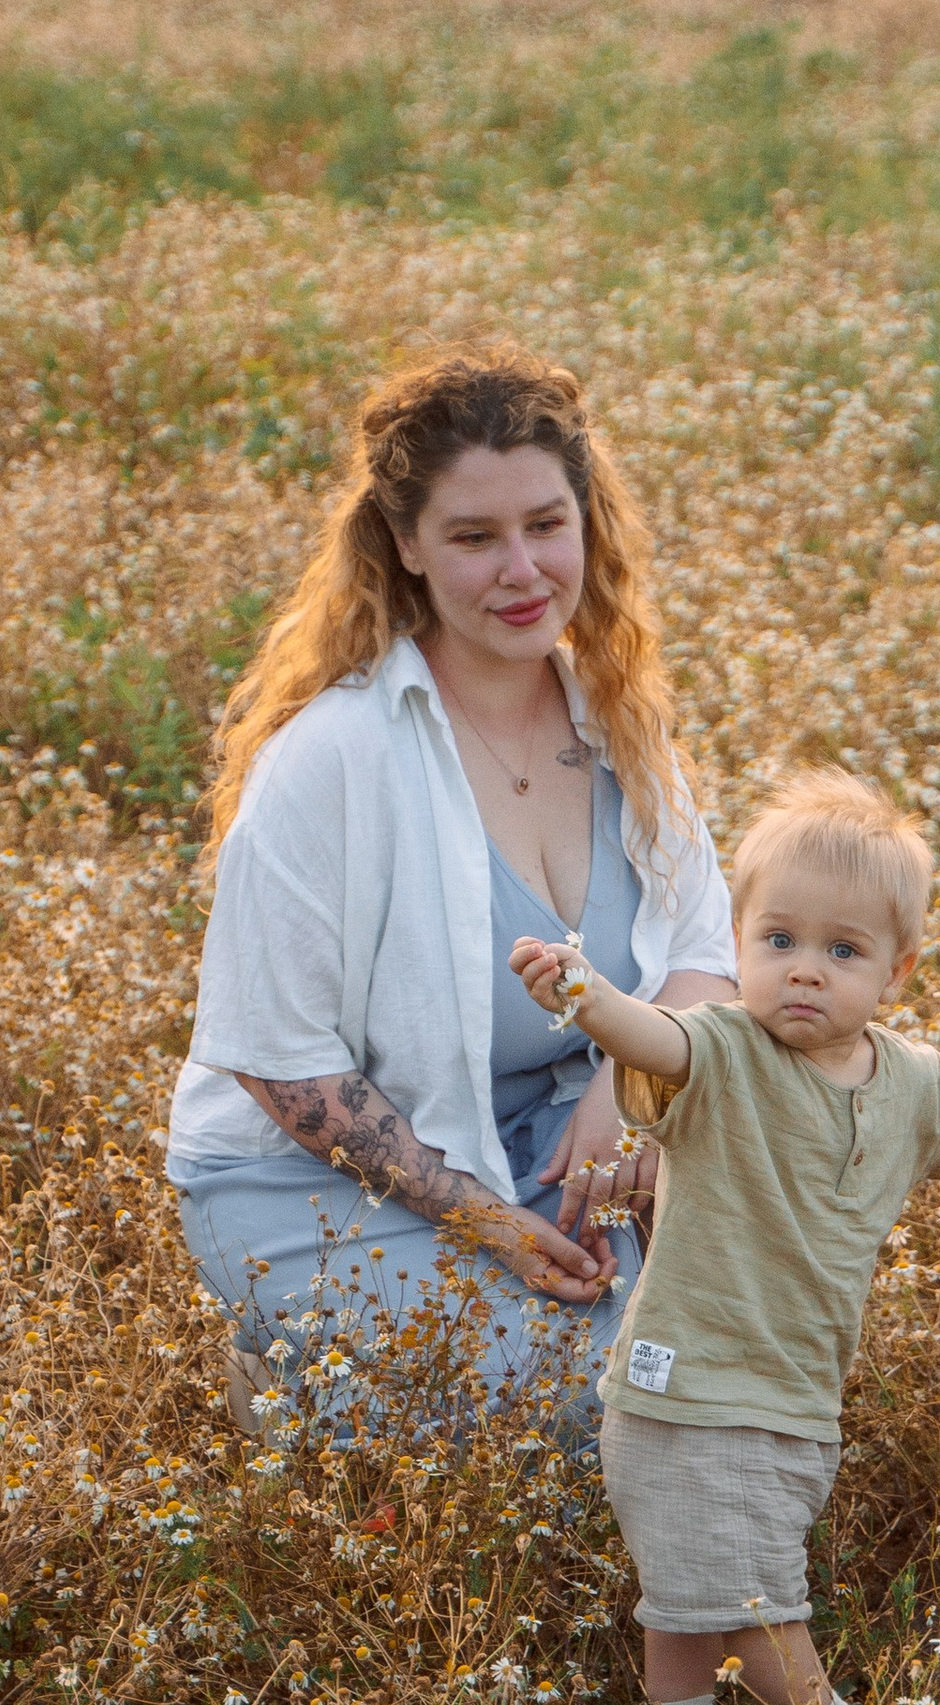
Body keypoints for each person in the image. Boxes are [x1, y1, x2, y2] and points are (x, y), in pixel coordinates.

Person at [509, 768, 940, 1705]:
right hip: (692, 1391)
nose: (803, 972)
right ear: (738, 943)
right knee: (756, 1608)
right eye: (778, 941)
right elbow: (646, 1034)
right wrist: (585, 994)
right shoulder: (717, 1054)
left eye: (842, 952)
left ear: (899, 970)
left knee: (689, 1598)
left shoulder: (912, 1084)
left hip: (790, 1390)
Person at [167, 343, 737, 1446]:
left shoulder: (617, 715)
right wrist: (489, 1227)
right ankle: (296, 1380)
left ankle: (350, 1391)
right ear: (406, 548)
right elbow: (283, 1065)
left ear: (587, 522)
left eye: (544, 524)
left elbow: (705, 947)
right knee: (594, 1410)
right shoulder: (332, 758)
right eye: (474, 537)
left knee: (725, 1368)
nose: (521, 570)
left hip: (555, 1136)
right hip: (320, 1182)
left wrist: (635, 1080)